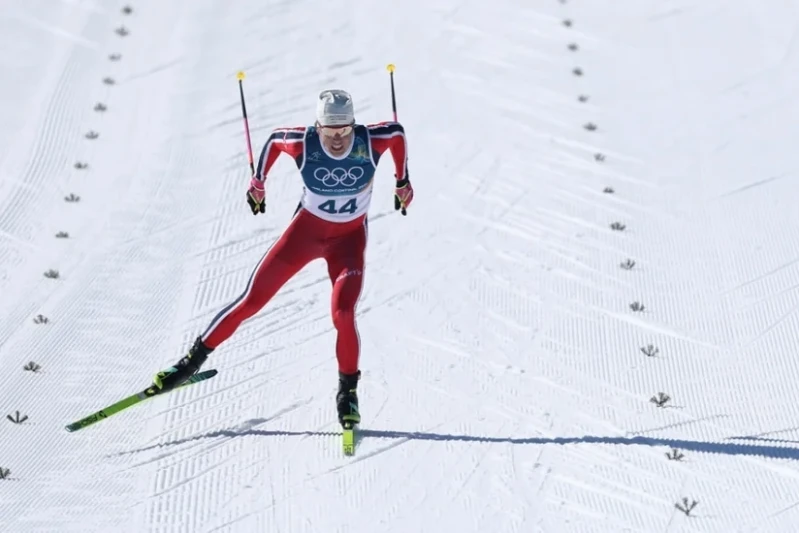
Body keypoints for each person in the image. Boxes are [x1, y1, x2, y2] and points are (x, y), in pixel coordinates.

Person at [150, 89, 414, 427]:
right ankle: (188, 363)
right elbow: (275, 139)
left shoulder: (370, 141)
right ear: (317, 127)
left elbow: (397, 133)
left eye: (344, 132)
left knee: (344, 313)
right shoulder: (304, 143)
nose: (336, 140)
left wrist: (402, 181)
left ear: (353, 125)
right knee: (251, 301)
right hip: (304, 236)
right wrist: (258, 182)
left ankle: (347, 393)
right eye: (329, 133)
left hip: (347, 242)